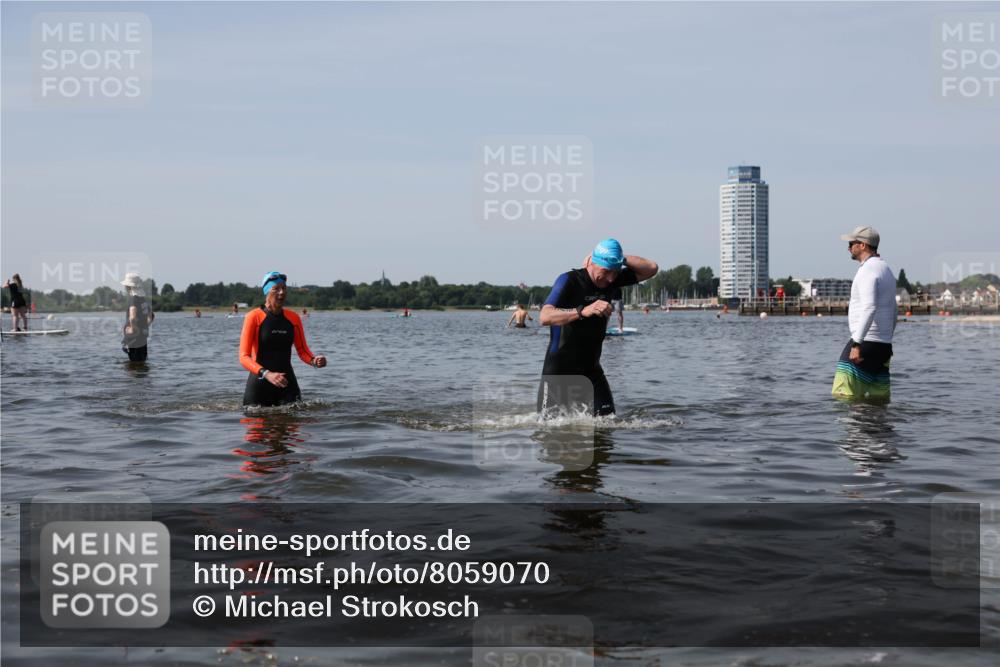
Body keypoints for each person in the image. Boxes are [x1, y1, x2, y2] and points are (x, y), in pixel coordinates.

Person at [537, 238, 657, 416]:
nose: (610, 279)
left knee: (608, 424)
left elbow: (651, 268)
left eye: (615, 273)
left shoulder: (612, 279)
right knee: (551, 432)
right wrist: (582, 311)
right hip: (559, 371)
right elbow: (544, 316)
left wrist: (620, 260)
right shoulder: (569, 280)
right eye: (606, 271)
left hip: (591, 370)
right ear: (593, 263)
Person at [240, 271, 327, 407]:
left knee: (294, 423)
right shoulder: (253, 317)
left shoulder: (293, 318)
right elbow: (244, 357)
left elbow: (302, 350)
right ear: (267, 292)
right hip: (260, 384)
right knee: (256, 425)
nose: (281, 293)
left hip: (287, 384)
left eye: (284, 289)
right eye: (276, 289)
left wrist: (314, 361)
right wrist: (267, 374)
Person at [832, 226, 897, 402]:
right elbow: (894, 309)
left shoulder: (868, 270)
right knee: (878, 401)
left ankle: (857, 430)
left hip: (865, 343)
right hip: (883, 346)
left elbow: (869, 307)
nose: (848, 248)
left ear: (863, 245)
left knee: (843, 396)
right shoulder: (886, 270)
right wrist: (887, 340)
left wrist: (856, 343)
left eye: (851, 243)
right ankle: (878, 429)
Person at [121, 272, 154, 362]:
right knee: (142, 363)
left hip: (134, 339)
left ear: (129, 287)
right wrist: (145, 326)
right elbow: (151, 316)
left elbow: (132, 317)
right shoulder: (143, 300)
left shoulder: (133, 299)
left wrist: (134, 329)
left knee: (133, 368)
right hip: (143, 336)